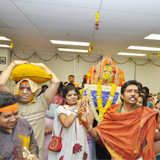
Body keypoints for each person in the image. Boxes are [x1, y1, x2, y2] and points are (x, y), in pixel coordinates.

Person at [79, 80, 160, 159]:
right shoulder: (112, 113)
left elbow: (153, 136)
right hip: (116, 157)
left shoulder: (146, 114)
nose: (133, 94)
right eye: (129, 91)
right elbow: (98, 136)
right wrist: (86, 123)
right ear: (122, 95)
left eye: (136, 92)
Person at [0, 60, 60, 160]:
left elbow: (56, 82)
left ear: (35, 91)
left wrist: (42, 65)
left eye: (29, 88)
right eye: (22, 88)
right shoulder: (12, 103)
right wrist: (13, 64)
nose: (24, 92)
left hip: (35, 155)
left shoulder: (42, 102)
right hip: (11, 155)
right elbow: (1, 83)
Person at [48, 85, 94, 160]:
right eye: (69, 95)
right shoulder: (61, 109)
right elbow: (66, 123)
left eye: (75, 94)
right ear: (64, 98)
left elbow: (90, 123)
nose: (73, 97)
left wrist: (85, 104)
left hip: (80, 143)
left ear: (78, 96)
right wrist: (77, 108)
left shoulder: (82, 108)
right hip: (66, 143)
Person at [0, 91, 39, 160]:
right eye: (7, 116)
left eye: (16, 114)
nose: (13, 119)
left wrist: (33, 154)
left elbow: (33, 143)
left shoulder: (23, 123)